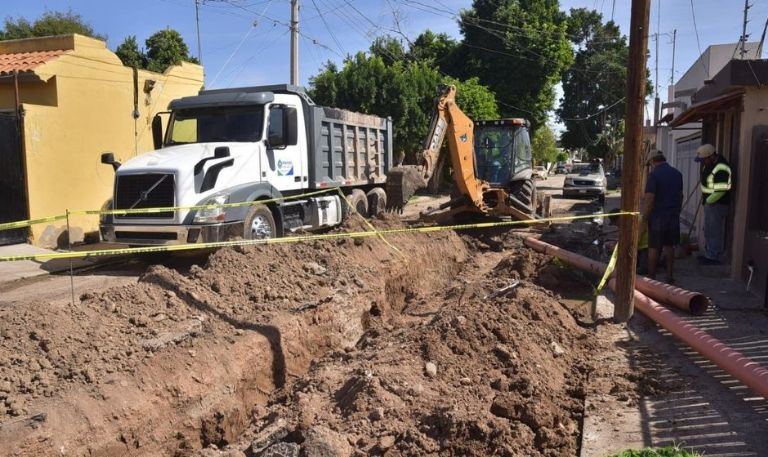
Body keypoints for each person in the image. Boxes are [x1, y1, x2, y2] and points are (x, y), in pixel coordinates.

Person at [642, 152, 683, 282]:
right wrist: (677, 211)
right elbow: (680, 196)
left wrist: (644, 217)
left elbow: (649, 198)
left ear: (653, 161)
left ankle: (651, 276)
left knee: (654, 246)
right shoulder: (677, 174)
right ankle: (669, 276)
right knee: (669, 246)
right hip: (672, 215)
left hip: (658, 216)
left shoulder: (653, 175)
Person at [696, 143, 733, 265]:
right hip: (710, 203)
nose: (702, 162)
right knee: (708, 229)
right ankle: (708, 253)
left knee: (714, 231)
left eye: (703, 159)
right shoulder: (709, 165)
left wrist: (709, 201)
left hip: (717, 204)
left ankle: (713, 256)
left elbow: (721, 190)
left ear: (710, 156)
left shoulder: (721, 167)